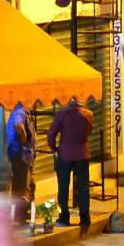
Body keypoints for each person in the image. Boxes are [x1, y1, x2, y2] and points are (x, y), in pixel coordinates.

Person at [48, 97, 92, 230]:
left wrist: (54, 149)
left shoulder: (62, 114)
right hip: (82, 154)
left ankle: (64, 218)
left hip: (65, 154)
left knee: (63, 187)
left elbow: (51, 134)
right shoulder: (88, 114)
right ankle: (84, 218)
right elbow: (88, 132)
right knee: (83, 187)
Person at [4, 101, 34, 216]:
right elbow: (18, 125)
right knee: (21, 186)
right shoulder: (19, 111)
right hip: (20, 155)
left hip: (19, 154)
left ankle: (19, 212)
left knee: (20, 184)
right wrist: (24, 140)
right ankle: (20, 213)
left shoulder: (20, 111)